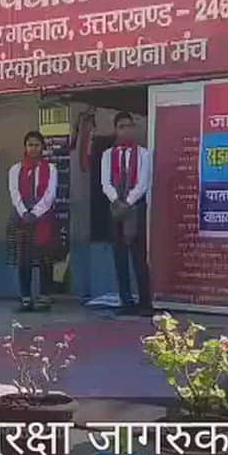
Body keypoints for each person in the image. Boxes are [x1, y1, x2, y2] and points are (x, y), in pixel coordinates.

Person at [100, 111, 152, 315]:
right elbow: (105, 182)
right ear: (116, 129)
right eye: (122, 126)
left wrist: (127, 202)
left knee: (139, 257)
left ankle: (145, 302)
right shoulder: (108, 155)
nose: (127, 130)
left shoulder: (143, 153)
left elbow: (143, 183)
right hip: (115, 209)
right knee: (119, 256)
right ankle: (125, 301)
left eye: (130, 126)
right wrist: (116, 201)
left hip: (135, 208)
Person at [7, 131, 59, 312]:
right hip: (22, 218)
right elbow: (14, 194)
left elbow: (50, 194)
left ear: (42, 147)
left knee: (45, 258)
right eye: (30, 145)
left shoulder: (50, 169)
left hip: (43, 218)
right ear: (25, 147)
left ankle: (45, 297)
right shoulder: (15, 169)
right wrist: (24, 213)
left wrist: (35, 213)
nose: (33, 148)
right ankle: (25, 298)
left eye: (37, 145)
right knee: (24, 259)